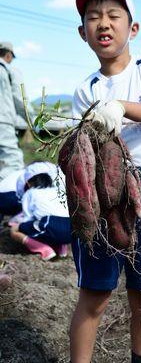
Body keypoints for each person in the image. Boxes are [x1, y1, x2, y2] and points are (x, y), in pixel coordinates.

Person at [70, 0, 141, 363]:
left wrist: (117, 106)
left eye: (114, 16)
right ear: (83, 33)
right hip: (101, 191)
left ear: (132, 28)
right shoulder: (87, 89)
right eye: (93, 17)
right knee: (95, 293)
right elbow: (88, 149)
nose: (104, 23)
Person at [9, 171, 71, 261]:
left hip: (51, 223)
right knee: (56, 224)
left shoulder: (30, 192)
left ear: (29, 184)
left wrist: (16, 223)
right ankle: (62, 251)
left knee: (14, 229)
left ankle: (45, 250)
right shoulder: (58, 190)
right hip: (71, 229)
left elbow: (28, 218)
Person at [0, 42, 32, 181]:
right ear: (8, 55)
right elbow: (21, 100)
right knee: (11, 164)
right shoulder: (7, 69)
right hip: (2, 122)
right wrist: (33, 122)